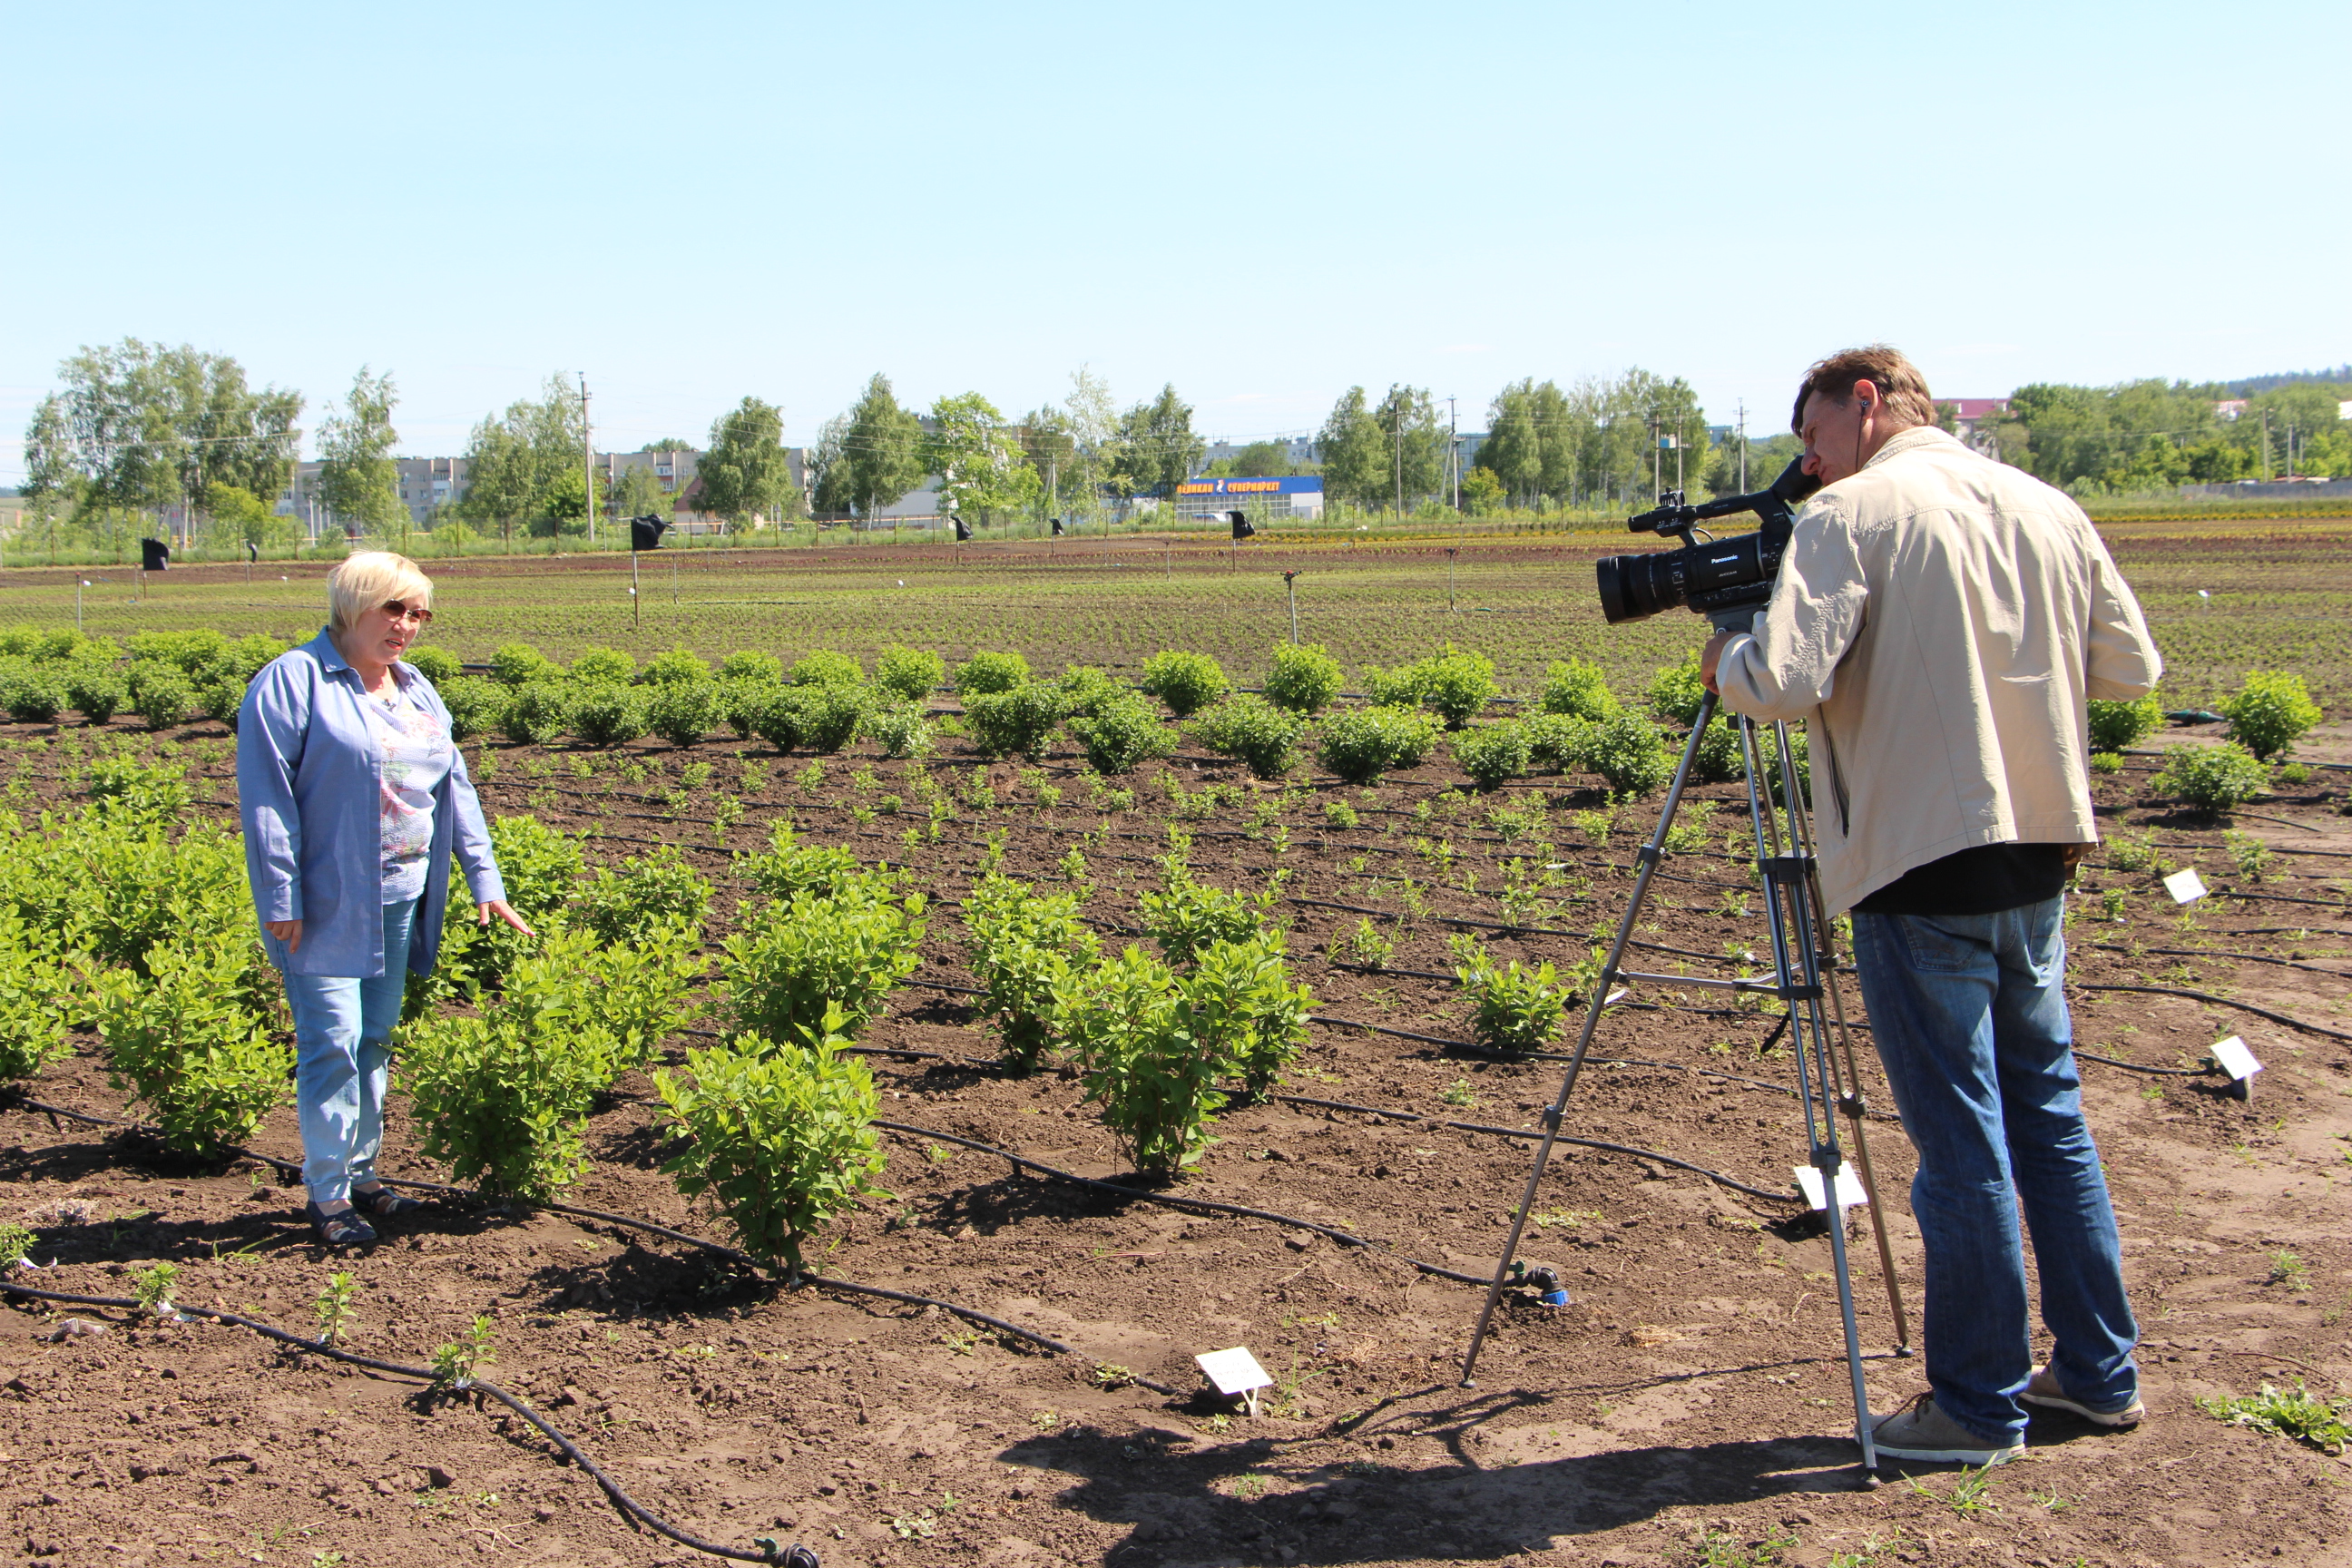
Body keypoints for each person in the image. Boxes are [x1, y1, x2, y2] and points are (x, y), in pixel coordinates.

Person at [1700, 346, 2162, 1467]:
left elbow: (1783, 682)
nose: (1810, 465)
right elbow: (2132, 669)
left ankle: (1976, 1408)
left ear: (1866, 402)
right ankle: (2098, 1375)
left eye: (1814, 437)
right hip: (2037, 855)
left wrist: (1724, 656)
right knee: (2049, 1120)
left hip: (1917, 864)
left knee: (1961, 1149)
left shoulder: (1849, 516)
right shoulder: (2046, 505)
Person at [238, 552, 532, 1248]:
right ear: (353, 605)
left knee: (374, 1037)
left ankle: (362, 1174)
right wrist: (280, 895)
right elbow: (267, 798)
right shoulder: (294, 681)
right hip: (325, 902)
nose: (407, 625)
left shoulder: (416, 688)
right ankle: (328, 1194)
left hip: (402, 897)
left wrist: (484, 877)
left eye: (419, 613)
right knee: (331, 1042)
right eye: (394, 609)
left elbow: (454, 786)